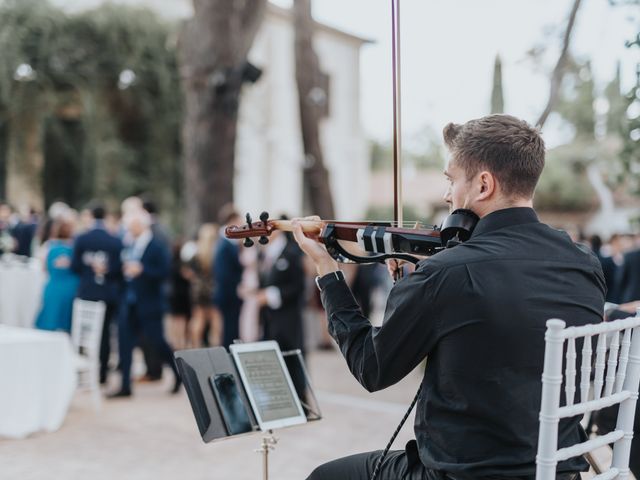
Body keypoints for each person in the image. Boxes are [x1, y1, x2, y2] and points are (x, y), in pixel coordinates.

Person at [291, 114, 606, 479]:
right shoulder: (583, 262)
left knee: (324, 476)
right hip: (558, 470)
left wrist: (327, 272)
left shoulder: (448, 273)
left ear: (483, 184)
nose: (446, 195)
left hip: (464, 474)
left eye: (451, 179)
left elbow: (371, 369)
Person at [109, 210, 180, 398]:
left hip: (149, 303)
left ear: (141, 225)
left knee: (158, 342)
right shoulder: (129, 244)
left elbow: (165, 272)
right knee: (125, 343)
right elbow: (121, 268)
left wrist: (143, 270)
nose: (129, 229)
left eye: (132, 225)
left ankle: (178, 373)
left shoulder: (156, 246)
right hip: (129, 302)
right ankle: (125, 385)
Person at [71, 203, 124, 384]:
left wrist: (89, 269)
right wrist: (106, 271)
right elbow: (119, 270)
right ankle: (102, 372)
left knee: (82, 332)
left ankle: (80, 372)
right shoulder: (114, 240)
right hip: (108, 293)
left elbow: (74, 266)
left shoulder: (82, 238)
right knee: (105, 334)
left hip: (87, 291)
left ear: (91, 216)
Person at [255, 227, 307, 399]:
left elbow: (298, 287)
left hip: (289, 318)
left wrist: (270, 295)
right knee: (275, 359)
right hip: (271, 318)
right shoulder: (265, 254)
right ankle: (282, 399)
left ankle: (301, 401)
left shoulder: (291, 253)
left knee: (293, 358)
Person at [35, 219, 79, 332]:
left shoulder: (49, 246)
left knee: (50, 320)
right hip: (71, 287)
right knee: (66, 322)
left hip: (53, 286)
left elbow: (44, 267)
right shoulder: (75, 248)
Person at [213, 205, 244, 348]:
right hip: (229, 294)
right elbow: (223, 274)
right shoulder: (225, 244)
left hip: (230, 293)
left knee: (232, 328)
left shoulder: (228, 243)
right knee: (229, 330)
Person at [188, 223, 221, 347]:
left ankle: (196, 346)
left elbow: (189, 272)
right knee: (215, 319)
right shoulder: (216, 254)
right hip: (213, 289)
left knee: (198, 319)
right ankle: (217, 346)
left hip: (198, 290)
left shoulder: (197, 254)